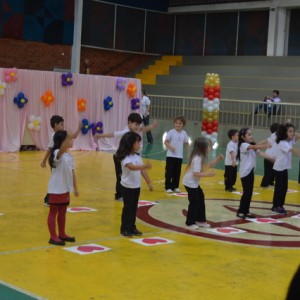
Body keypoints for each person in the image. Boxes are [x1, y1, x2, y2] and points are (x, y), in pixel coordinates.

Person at [94, 112, 157, 201]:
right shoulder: (125, 132)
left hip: (129, 155)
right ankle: (119, 195)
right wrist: (99, 136)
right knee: (120, 176)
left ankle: (127, 190)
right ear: (129, 122)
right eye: (136, 124)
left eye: (138, 124)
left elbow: (142, 129)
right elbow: (112, 134)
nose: (137, 126)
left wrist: (151, 126)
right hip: (119, 157)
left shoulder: (134, 131)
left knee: (128, 174)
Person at [114, 131, 153, 237]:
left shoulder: (137, 156)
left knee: (134, 208)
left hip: (136, 187)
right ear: (130, 144)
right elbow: (131, 167)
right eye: (137, 143)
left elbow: (142, 171)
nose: (139, 145)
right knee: (128, 208)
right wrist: (144, 166)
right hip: (127, 187)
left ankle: (132, 227)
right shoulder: (125, 157)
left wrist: (148, 182)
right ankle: (125, 229)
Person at [183, 137, 224, 230]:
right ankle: (190, 222)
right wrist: (209, 174)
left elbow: (206, 166)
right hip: (190, 183)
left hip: (193, 183)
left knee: (200, 199)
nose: (211, 147)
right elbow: (195, 174)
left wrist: (217, 159)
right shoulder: (197, 158)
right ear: (203, 147)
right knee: (194, 202)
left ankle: (200, 220)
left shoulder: (201, 157)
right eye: (209, 146)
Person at [40, 115, 81, 206]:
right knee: (57, 180)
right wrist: (44, 161)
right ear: (56, 125)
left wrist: (79, 129)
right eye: (62, 124)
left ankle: (57, 197)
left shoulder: (64, 134)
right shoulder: (54, 136)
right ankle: (49, 199)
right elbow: (50, 149)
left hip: (64, 160)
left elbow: (73, 136)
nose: (63, 126)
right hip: (56, 160)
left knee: (61, 180)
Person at [47, 130, 79, 246]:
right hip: (56, 189)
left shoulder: (69, 156)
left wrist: (75, 188)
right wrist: (64, 143)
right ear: (62, 142)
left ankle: (62, 233)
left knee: (63, 212)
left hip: (65, 189)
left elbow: (72, 172)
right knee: (53, 212)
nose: (71, 141)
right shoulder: (57, 152)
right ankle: (53, 236)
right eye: (68, 139)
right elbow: (59, 151)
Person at [236, 128, 270, 219]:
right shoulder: (243, 145)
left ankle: (246, 211)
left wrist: (274, 158)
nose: (251, 136)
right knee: (246, 192)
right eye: (249, 135)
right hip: (245, 172)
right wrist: (266, 144)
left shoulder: (252, 145)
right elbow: (254, 147)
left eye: (251, 134)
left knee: (250, 192)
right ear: (243, 137)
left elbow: (261, 153)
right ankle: (240, 211)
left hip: (251, 172)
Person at [271, 123, 300, 214]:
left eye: (293, 131)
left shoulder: (289, 141)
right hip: (279, 168)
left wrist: (294, 134)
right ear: (284, 132)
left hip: (284, 168)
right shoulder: (283, 142)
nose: (292, 133)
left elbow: (297, 136)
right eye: (290, 131)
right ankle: (276, 206)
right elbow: (292, 150)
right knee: (279, 188)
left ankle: (280, 205)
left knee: (284, 187)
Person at [164, 116, 190, 193]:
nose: (178, 125)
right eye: (176, 123)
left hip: (179, 156)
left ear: (183, 125)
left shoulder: (184, 133)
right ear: (174, 124)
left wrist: (188, 153)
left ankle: (175, 186)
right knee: (169, 172)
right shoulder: (171, 132)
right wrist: (171, 147)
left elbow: (187, 143)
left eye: (180, 123)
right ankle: (167, 187)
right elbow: (165, 142)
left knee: (177, 172)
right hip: (170, 156)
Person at [260, 122, 280, 188]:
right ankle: (264, 184)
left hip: (274, 158)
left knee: (273, 171)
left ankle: (271, 183)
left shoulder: (275, 136)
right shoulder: (274, 135)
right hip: (268, 157)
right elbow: (265, 141)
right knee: (268, 172)